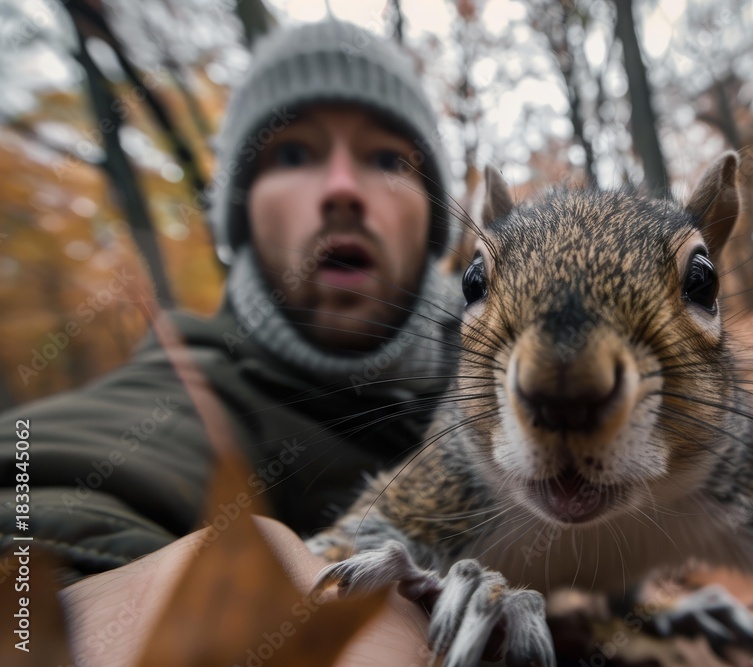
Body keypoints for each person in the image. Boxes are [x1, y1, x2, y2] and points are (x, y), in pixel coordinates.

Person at [0, 18, 460, 662]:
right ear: (243, 215)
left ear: (434, 217)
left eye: (388, 159)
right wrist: (80, 599)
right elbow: (48, 481)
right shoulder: (188, 391)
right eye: (293, 154)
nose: (341, 191)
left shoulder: (525, 388)